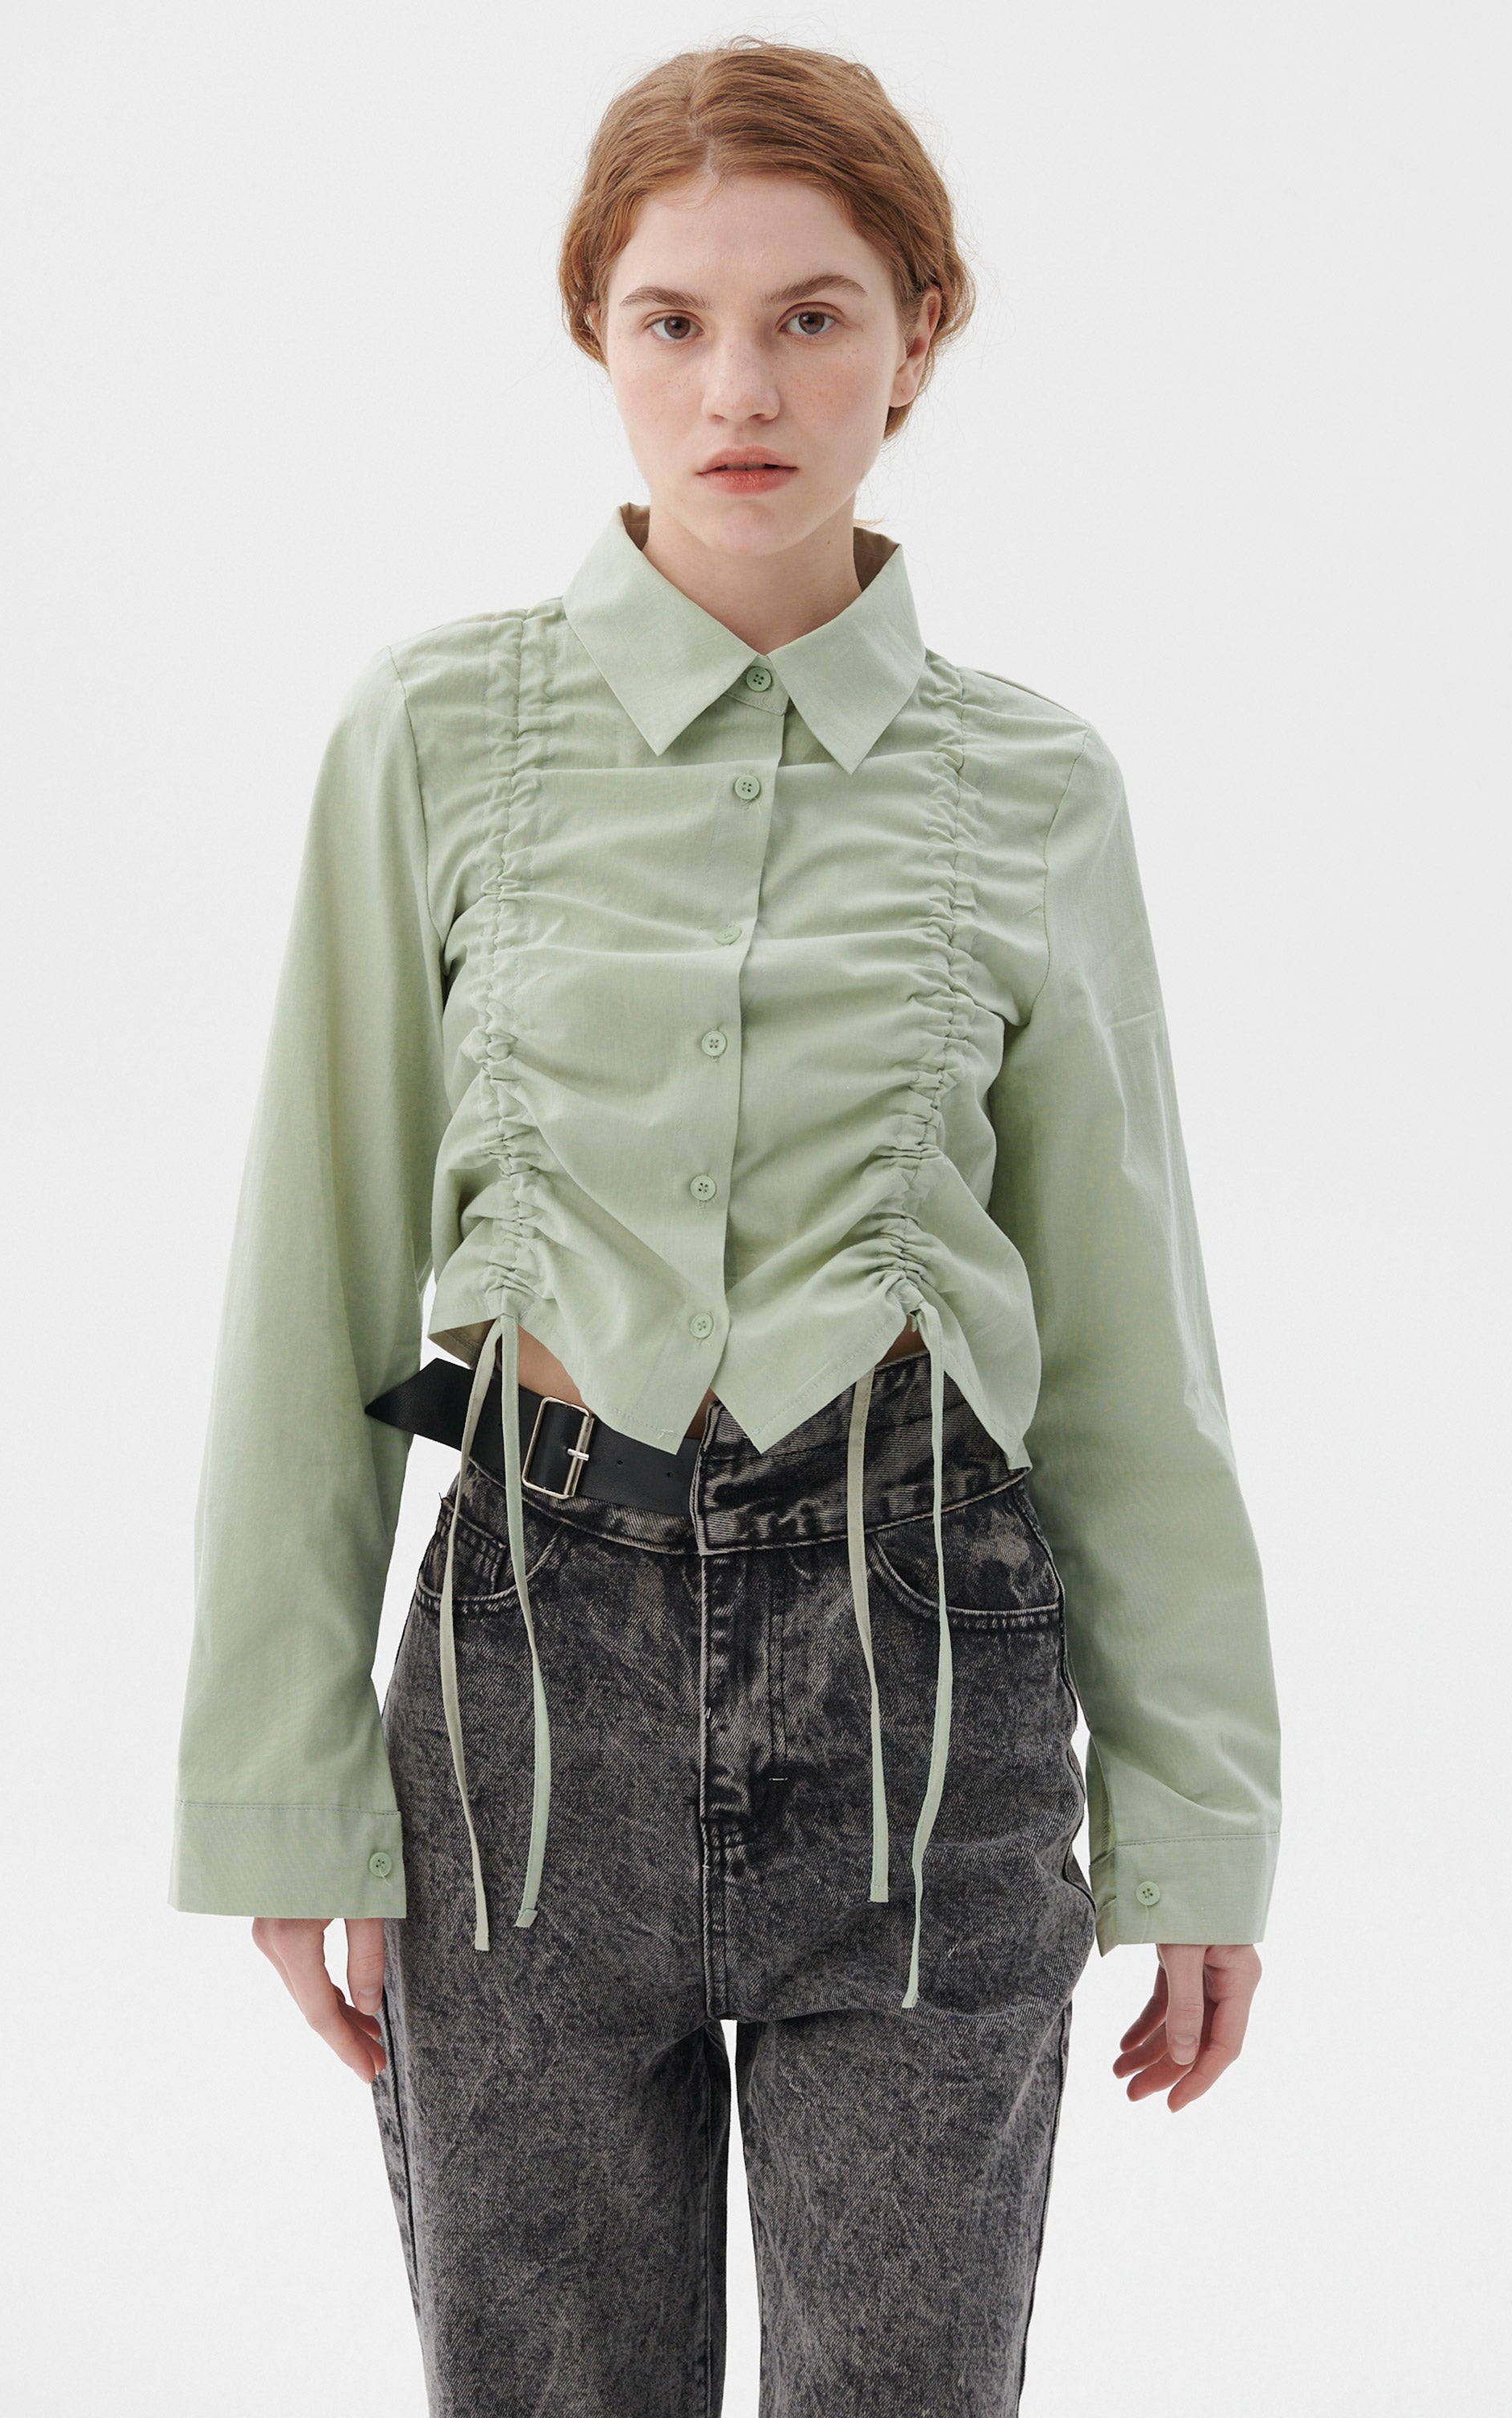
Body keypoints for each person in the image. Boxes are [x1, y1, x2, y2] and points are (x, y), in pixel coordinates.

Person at [168, 35, 1280, 2416]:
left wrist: (1199, 1828)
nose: (740, 389)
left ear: (919, 338)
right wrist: (282, 1780)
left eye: (812, 317)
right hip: (524, 1705)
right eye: (674, 319)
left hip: (933, 1698)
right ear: (594, 329)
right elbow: (309, 1275)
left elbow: (1127, 1350)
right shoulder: (432, 735)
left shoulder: (1035, 786)